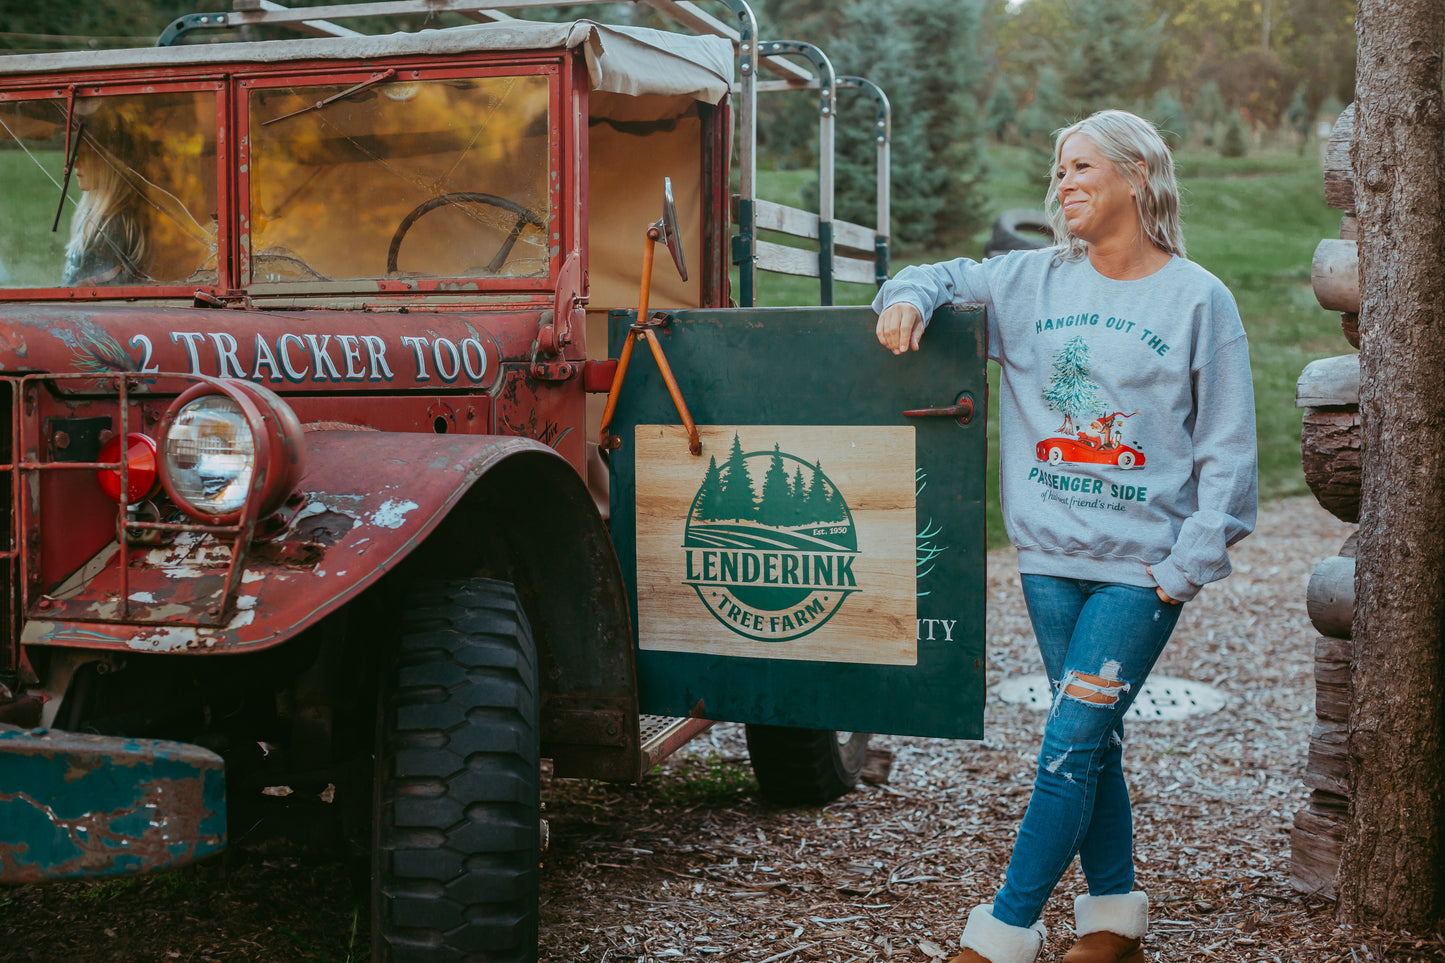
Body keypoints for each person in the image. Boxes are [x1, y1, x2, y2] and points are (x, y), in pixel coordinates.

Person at [874, 110, 1257, 963]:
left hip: (1139, 575)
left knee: (1067, 743)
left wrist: (1180, 570)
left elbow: (1228, 451)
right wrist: (905, 297)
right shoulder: (1030, 281)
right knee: (1092, 741)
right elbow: (934, 274)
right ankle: (1114, 916)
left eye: (1082, 166)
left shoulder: (1197, 298)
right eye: (1058, 168)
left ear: (1134, 176)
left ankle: (1004, 929)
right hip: (1048, 564)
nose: (1064, 182)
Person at [62, 116, 150, 287]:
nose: (75, 163)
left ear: (108, 163)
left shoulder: (116, 224)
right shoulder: (92, 214)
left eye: (85, 156)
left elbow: (98, 288)